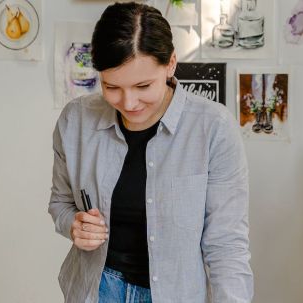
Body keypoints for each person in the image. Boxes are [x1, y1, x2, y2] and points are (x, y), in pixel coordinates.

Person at [48, 2, 253, 302]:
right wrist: (74, 225)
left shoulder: (213, 128)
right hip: (96, 290)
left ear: (170, 64)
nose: (129, 103)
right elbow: (60, 203)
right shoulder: (75, 121)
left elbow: (226, 245)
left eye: (143, 86)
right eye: (112, 86)